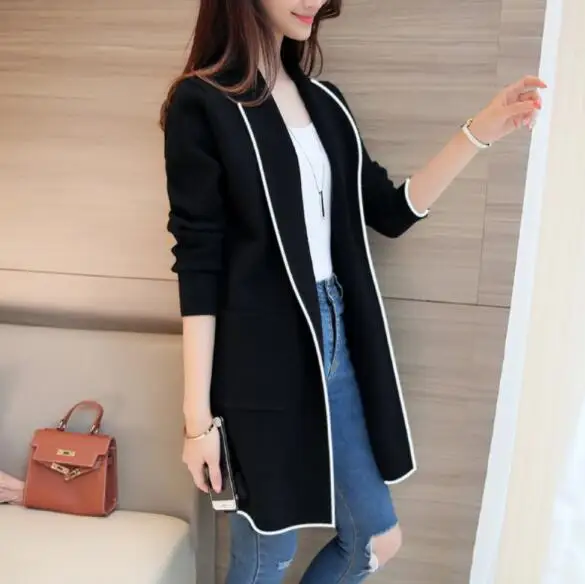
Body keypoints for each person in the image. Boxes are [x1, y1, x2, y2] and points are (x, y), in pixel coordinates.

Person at [160, 1, 546, 582]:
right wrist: (198, 422)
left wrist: (479, 132)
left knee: (375, 539)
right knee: (268, 555)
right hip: (256, 360)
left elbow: (390, 210)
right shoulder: (203, 103)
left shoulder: (325, 103)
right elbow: (198, 265)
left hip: (335, 338)